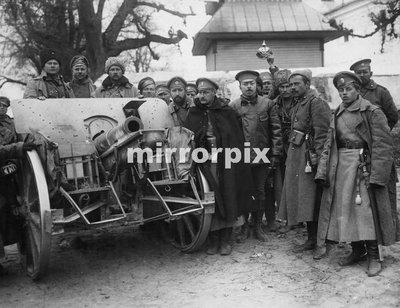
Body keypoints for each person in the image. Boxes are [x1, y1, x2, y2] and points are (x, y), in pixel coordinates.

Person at [315, 71, 396, 276]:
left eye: (348, 89)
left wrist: (377, 176)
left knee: (365, 212)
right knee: (345, 209)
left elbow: (383, 145)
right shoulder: (337, 112)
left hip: (363, 167)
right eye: (340, 90)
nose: (344, 93)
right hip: (341, 166)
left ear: (358, 90)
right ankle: (357, 250)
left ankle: (373, 255)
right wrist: (323, 169)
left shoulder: (372, 111)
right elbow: (329, 142)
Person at [183, 78, 254, 256]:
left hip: (226, 162)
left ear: (215, 92)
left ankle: (226, 239)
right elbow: (188, 138)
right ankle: (213, 239)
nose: (201, 95)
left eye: (206, 91)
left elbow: (235, 138)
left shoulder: (226, 111)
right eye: (199, 91)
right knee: (209, 198)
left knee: (228, 196)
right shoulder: (194, 112)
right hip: (204, 163)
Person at [277, 69, 331, 253]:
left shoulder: (316, 103)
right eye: (291, 84)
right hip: (297, 156)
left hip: (310, 158)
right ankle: (311, 238)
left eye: (296, 84)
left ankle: (321, 243)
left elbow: (322, 134)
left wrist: (319, 161)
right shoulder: (298, 103)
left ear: (307, 84)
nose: (293, 87)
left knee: (314, 199)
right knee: (304, 199)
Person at [230, 70, 282, 242]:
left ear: (257, 85)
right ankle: (245, 227)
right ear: (240, 86)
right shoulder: (234, 106)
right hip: (242, 157)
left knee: (260, 191)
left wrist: (275, 153)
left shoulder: (267, 104)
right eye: (245, 84)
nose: (249, 87)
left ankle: (258, 226)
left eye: (252, 83)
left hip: (262, 156)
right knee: (245, 191)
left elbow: (276, 130)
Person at [350, 58, 399, 240]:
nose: (362, 75)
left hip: (379, 149)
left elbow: (393, 116)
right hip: (360, 152)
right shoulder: (353, 93)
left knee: (386, 192)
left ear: (371, 72)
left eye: (365, 72)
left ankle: (392, 233)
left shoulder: (381, 93)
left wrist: (379, 135)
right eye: (358, 73)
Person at [264, 69, 294, 232]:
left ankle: (295, 219)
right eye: (281, 87)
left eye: (288, 86)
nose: (285, 90)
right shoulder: (274, 103)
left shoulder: (300, 101)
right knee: (281, 183)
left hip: (296, 146)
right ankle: (285, 217)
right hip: (279, 146)